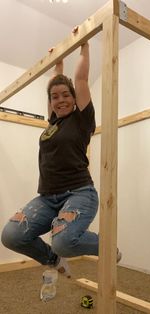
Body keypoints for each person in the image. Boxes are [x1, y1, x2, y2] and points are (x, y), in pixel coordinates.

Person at [1, 41, 99, 278]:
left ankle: (105, 245)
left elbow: (81, 79)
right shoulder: (52, 123)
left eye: (66, 95)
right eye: (55, 97)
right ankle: (54, 260)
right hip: (47, 198)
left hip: (79, 193)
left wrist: (83, 46)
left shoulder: (81, 119)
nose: (61, 100)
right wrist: (58, 63)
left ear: (75, 99)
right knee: (11, 235)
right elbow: (56, 86)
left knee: (63, 241)